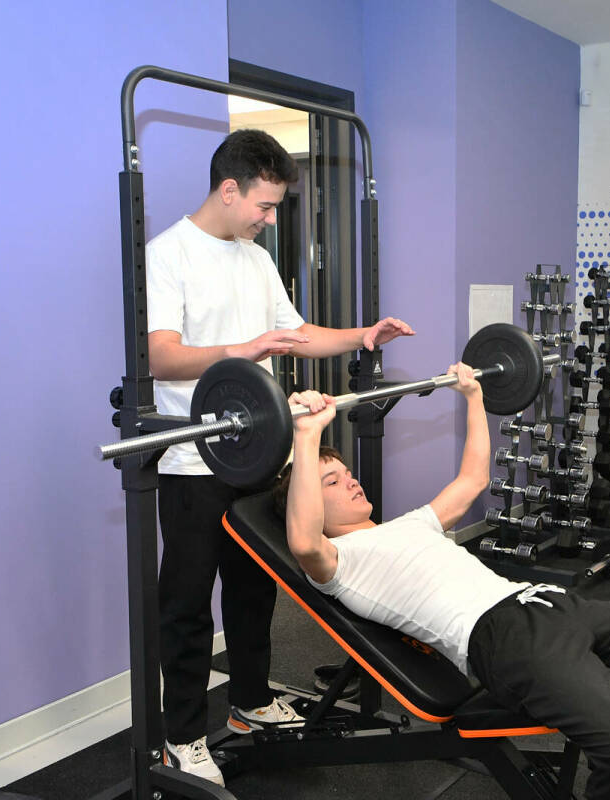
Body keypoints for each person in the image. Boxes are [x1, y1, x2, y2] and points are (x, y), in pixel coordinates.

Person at [280, 366, 610, 800]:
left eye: (346, 473)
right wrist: (306, 436)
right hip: (504, 638)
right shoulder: (339, 563)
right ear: (310, 505)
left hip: (553, 603)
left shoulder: (409, 524)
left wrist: (473, 397)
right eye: (331, 482)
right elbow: (302, 541)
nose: (351, 481)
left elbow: (473, 479)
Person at [146, 128, 415, 786]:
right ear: (229, 190)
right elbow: (161, 356)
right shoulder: (168, 254)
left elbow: (293, 335)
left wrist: (362, 335)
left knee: (252, 589)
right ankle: (182, 739)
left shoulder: (255, 258)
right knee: (187, 606)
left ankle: (248, 703)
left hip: (254, 456)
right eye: (265, 206)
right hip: (192, 461)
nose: (270, 219)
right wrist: (244, 350)